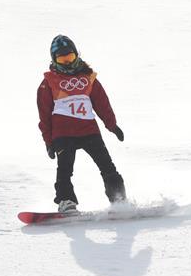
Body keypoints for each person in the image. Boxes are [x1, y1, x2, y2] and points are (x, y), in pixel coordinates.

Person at [36, 35, 126, 213]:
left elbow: (102, 104)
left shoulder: (88, 78)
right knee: (64, 170)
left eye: (70, 57)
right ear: (54, 60)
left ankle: (119, 200)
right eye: (62, 59)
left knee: (107, 166)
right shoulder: (49, 83)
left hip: (88, 131)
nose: (67, 63)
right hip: (63, 135)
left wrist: (112, 125)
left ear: (76, 55)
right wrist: (48, 142)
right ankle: (66, 201)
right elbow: (44, 115)